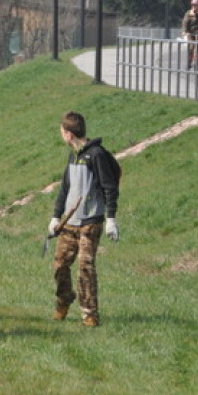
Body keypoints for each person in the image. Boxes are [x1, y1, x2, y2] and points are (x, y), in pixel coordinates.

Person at [49, 111, 120, 328]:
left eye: (62, 131)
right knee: (60, 265)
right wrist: (55, 216)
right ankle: (64, 300)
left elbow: (110, 187)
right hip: (70, 222)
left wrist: (111, 218)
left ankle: (90, 313)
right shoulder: (73, 155)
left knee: (85, 267)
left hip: (91, 221)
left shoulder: (96, 155)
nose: (62, 135)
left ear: (69, 134)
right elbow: (65, 188)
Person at [182, 0, 198, 69]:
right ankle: (189, 62)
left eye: (195, 5)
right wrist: (185, 31)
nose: (194, 6)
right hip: (191, 33)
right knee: (191, 48)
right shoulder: (189, 13)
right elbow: (185, 23)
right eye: (192, 5)